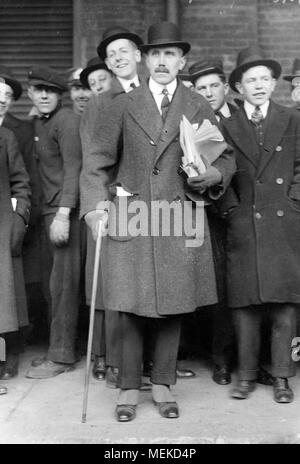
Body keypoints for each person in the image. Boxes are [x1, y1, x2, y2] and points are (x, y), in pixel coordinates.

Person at [80, 21, 235, 422]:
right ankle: (129, 388)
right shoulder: (121, 105)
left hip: (177, 215)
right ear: (143, 60)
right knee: (130, 305)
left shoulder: (195, 104)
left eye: (170, 55)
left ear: (181, 61)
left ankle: (164, 383)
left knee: (173, 303)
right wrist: (95, 208)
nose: (162, 62)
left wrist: (212, 175)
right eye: (155, 54)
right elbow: (96, 162)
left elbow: (224, 158)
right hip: (131, 214)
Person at [221, 45, 299, 403]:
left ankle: (282, 376)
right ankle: (247, 376)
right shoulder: (225, 125)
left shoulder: (292, 119)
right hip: (244, 223)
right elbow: (217, 174)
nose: (258, 85)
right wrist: (232, 210)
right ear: (238, 87)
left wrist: (293, 202)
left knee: (284, 303)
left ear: (273, 84)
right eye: (250, 79)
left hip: (284, 223)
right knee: (246, 304)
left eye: (265, 79)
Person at [25, 66, 82, 379]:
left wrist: (63, 214)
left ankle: (62, 356)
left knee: (63, 287)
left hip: (64, 213)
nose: (44, 95)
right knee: (51, 286)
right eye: (38, 89)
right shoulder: (42, 122)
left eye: (51, 91)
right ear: (31, 93)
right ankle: (55, 350)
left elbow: (74, 169)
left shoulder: (67, 121)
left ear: (61, 95)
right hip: (47, 212)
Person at [189, 59, 236, 385]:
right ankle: (200, 352)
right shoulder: (193, 121)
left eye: (213, 86)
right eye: (201, 88)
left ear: (226, 87)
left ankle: (226, 358)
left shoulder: (241, 119)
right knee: (207, 285)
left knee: (233, 287)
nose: (208, 93)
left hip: (236, 213)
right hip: (199, 212)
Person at [0, 109, 31, 394]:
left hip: (1, 226)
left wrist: (19, 219)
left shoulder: (6, 137)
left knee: (3, 300)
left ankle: (6, 356)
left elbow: (21, 183)